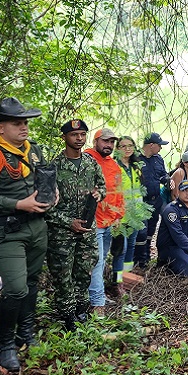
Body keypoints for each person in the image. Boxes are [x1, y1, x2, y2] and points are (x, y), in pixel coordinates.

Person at [0, 98, 51, 371]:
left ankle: (26, 333)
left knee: (31, 281)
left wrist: (51, 194)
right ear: (0, 126)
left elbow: (43, 179)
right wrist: (18, 204)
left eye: (25, 122)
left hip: (37, 226)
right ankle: (5, 345)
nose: (24, 128)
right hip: (7, 231)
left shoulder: (35, 151)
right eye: (17, 123)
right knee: (16, 288)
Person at [46, 119, 106, 330]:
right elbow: (44, 205)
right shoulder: (53, 167)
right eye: (74, 135)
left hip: (87, 230)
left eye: (82, 134)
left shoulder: (91, 163)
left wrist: (99, 194)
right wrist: (68, 222)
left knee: (84, 271)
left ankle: (80, 308)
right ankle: (67, 316)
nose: (79, 138)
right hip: (62, 234)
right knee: (63, 275)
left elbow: (102, 187)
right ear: (64, 137)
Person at [85, 128, 124, 315]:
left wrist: (118, 216)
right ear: (95, 141)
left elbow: (119, 193)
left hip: (110, 223)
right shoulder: (86, 159)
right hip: (93, 223)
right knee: (97, 262)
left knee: (102, 260)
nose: (109, 145)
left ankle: (96, 294)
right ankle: (97, 302)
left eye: (111, 142)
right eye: (105, 141)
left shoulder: (114, 165)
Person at [115, 136, 146, 287]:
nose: (127, 149)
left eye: (130, 146)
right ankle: (118, 281)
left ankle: (127, 276)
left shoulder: (135, 166)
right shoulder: (114, 166)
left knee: (132, 245)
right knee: (122, 247)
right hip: (120, 214)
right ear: (117, 148)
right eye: (123, 146)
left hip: (135, 213)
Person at [136, 132, 170, 268]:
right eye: (159, 146)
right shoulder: (136, 159)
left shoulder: (158, 159)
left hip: (156, 200)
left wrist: (167, 180)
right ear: (151, 145)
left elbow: (162, 174)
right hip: (141, 202)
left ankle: (146, 256)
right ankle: (139, 260)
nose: (160, 148)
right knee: (142, 232)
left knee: (151, 230)